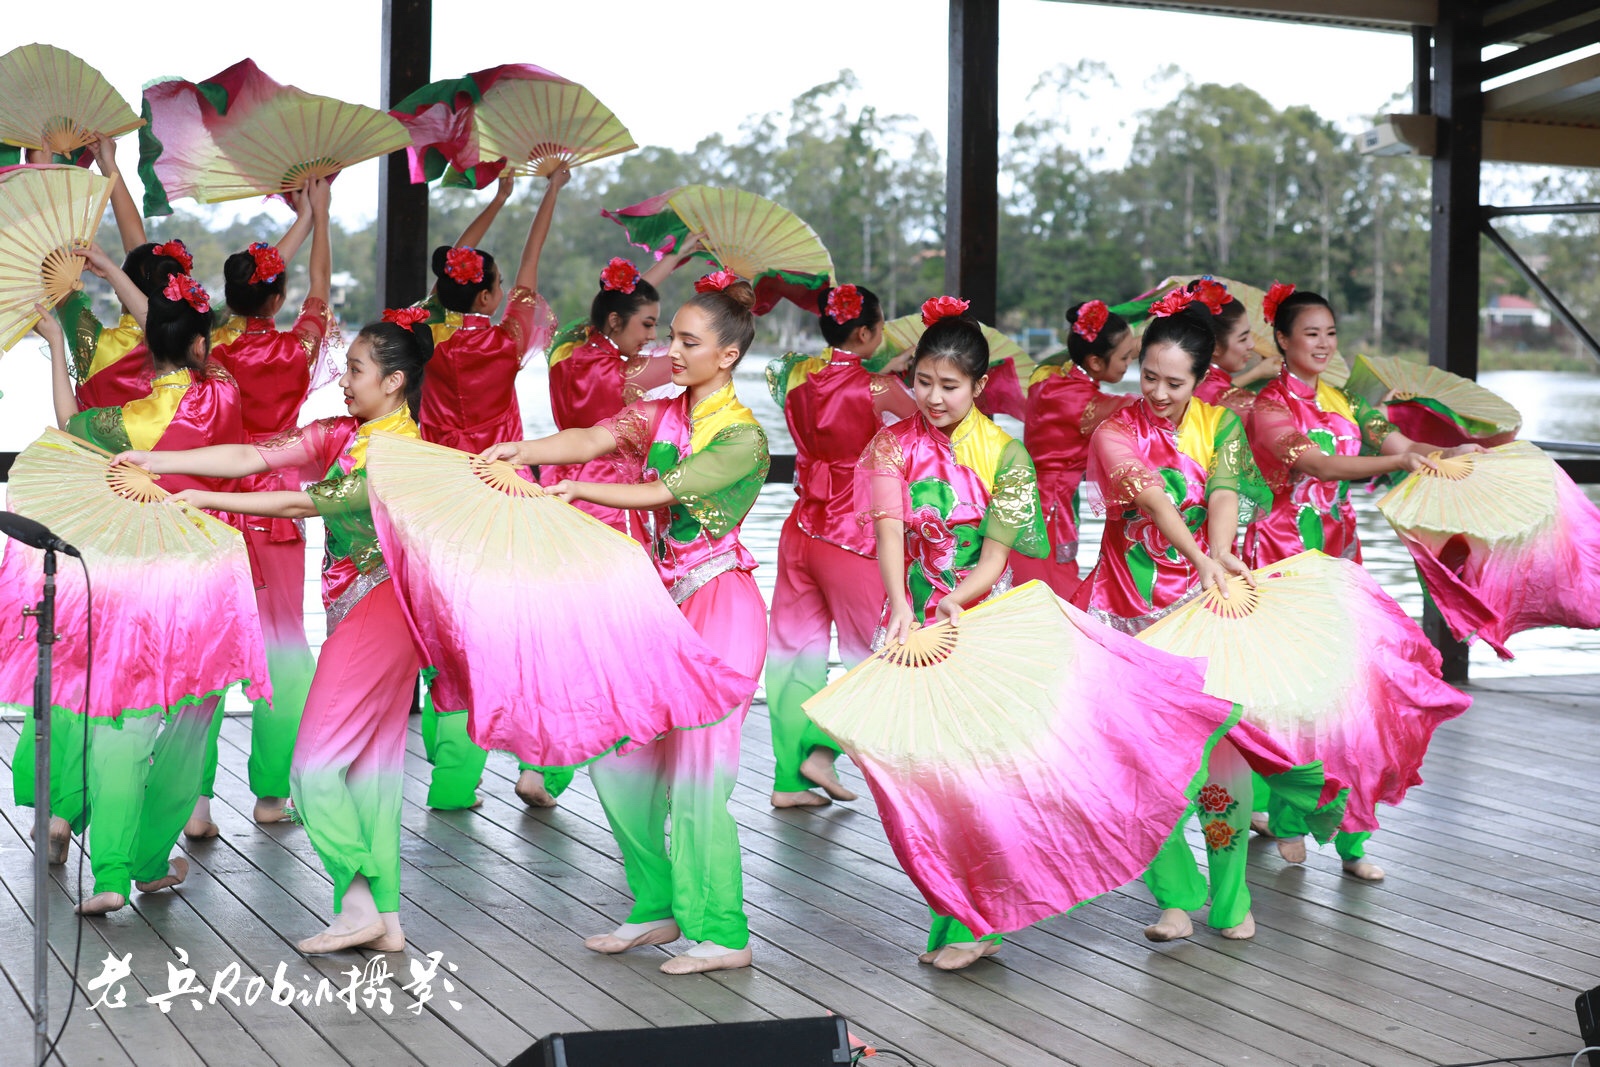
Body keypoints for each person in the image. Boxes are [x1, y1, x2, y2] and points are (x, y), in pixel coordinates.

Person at [114, 314, 432, 952]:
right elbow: (251, 455)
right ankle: (382, 919)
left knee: (313, 769)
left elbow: (297, 502)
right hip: (362, 612)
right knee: (371, 768)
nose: (344, 381)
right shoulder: (345, 431)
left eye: (356, 371)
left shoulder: (402, 456)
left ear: (394, 382)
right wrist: (157, 458)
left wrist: (208, 500)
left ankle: (362, 899)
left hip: (382, 613)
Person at [482, 274, 770, 974]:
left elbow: (660, 490)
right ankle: (656, 903)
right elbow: (592, 435)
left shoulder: (743, 437)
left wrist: (579, 489)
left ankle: (724, 931)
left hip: (722, 603)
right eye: (669, 335)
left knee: (701, 775)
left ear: (726, 356)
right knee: (622, 759)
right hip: (663, 605)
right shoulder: (660, 413)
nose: (671, 349)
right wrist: (523, 453)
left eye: (687, 341)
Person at [33, 260, 250, 914]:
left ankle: (111, 874)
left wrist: (53, 345)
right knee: (188, 728)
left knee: (122, 726)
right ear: (202, 344)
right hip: (210, 586)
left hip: (138, 585)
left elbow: (69, 424)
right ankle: (153, 861)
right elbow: (178, 335)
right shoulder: (226, 389)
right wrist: (125, 283)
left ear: (147, 342)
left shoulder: (131, 421)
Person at [1078, 295, 1297, 941]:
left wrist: (1222, 551)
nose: (1159, 391)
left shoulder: (1220, 425)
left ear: (1201, 379)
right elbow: (1152, 500)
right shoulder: (1114, 429)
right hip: (1130, 608)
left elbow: (1224, 491)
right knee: (1142, 759)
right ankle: (1175, 893)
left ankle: (1231, 897)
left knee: (1220, 758)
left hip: (1203, 604)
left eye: (1175, 382)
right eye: (1148, 375)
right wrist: (1203, 555)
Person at [1243, 284, 1479, 880]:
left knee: (1357, 693)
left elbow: (1399, 443)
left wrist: (1450, 453)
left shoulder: (1346, 402)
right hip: (1283, 560)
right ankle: (1289, 812)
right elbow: (1318, 466)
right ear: (1283, 341)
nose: (1323, 344)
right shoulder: (1268, 408)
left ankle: (1353, 839)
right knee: (1296, 697)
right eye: (1310, 334)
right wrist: (1395, 463)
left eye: (1330, 334)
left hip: (1341, 555)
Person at [858, 295, 1050, 969]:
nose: (933, 397)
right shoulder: (889, 443)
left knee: (969, 776)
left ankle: (977, 921)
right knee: (917, 777)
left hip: (973, 624)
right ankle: (953, 913)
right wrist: (899, 606)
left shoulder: (1009, 456)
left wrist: (948, 602)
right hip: (909, 625)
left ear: (977, 385)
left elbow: (995, 559)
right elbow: (888, 531)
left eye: (950, 386)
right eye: (924, 383)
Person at [510, 247, 691, 809]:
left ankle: (540, 764)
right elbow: (700, 355)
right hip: (611, 503)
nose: (655, 337)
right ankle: (632, 753)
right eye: (647, 326)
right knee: (618, 637)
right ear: (616, 323)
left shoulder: (565, 352)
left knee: (567, 633)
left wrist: (668, 265)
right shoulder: (631, 375)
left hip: (562, 491)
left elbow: (623, 305)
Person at [185, 177, 332, 835]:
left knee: (208, 652)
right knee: (282, 651)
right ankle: (272, 794)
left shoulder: (208, 348)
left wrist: (302, 222)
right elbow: (320, 292)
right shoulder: (297, 348)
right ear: (277, 296)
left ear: (230, 294)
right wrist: (319, 217)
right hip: (275, 511)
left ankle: (194, 801)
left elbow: (254, 288)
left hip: (213, 507)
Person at [413, 170, 562, 812]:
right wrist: (545, 193)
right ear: (492, 294)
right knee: (512, 628)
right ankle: (531, 760)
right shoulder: (506, 340)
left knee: (446, 629)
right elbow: (528, 272)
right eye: (498, 286)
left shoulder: (427, 334)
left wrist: (496, 198)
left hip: (439, 498)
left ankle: (450, 776)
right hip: (501, 497)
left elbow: (451, 270)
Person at [763, 283, 917, 808]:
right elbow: (927, 431)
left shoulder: (796, 379)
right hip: (854, 534)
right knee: (878, 654)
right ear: (869, 332)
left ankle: (788, 781)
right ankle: (825, 750)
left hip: (801, 527)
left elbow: (838, 385)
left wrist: (883, 370)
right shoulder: (878, 390)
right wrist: (896, 377)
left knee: (793, 657)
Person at [1011, 300, 1137, 599]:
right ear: (1095, 362)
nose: (1130, 362)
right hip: (1049, 511)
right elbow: (1148, 406)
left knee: (1026, 593)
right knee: (1054, 598)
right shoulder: (1084, 403)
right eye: (1125, 357)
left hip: (1023, 501)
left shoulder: (1049, 379)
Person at [1189, 278, 1280, 416]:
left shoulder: (1181, 386)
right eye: (1243, 338)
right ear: (1215, 347)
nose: (1251, 345)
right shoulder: (1236, 403)